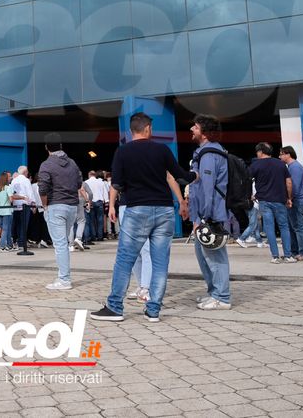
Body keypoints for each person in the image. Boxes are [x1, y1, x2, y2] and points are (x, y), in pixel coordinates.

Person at [90, 113, 187, 323]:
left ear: (131, 131)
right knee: (160, 262)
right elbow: (179, 174)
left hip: (137, 210)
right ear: (148, 129)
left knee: (125, 259)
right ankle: (153, 310)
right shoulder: (162, 150)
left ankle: (115, 307)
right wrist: (194, 178)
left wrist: (114, 203)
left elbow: (117, 183)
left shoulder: (123, 152)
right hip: (164, 209)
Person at [188, 114, 232, 310]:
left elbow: (207, 188)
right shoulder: (205, 152)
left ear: (204, 133)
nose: (191, 129)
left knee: (215, 257)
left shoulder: (208, 155)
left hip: (210, 214)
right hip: (205, 214)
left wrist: (202, 217)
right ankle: (214, 292)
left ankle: (222, 297)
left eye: (195, 127)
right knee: (203, 255)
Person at [37, 133, 82, 290]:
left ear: (46, 147)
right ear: (61, 146)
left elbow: (42, 189)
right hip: (72, 206)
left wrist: (45, 207)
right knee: (64, 242)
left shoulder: (46, 165)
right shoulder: (73, 163)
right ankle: (63, 275)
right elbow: (78, 183)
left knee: (60, 244)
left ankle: (64, 279)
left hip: (56, 206)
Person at [248, 143, 295, 264]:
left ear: (261, 152)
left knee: (269, 228)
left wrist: (250, 195)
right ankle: (288, 256)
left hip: (264, 200)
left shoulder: (255, 165)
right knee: (284, 227)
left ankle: (275, 257)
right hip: (280, 200)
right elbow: (288, 182)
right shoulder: (280, 164)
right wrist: (289, 198)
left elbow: (247, 180)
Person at [280, 146, 303, 261]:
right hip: (296, 201)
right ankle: (294, 252)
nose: (280, 156)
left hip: (296, 201)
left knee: (298, 228)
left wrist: (289, 199)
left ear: (288, 154)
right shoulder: (291, 167)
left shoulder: (295, 168)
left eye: (281, 154)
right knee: (293, 228)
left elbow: (294, 187)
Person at [10, 165, 34, 255]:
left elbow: (12, 192)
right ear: (25, 172)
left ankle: (15, 241)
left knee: (17, 224)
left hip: (16, 204)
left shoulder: (14, 180)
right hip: (25, 203)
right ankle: (22, 242)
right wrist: (32, 203)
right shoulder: (26, 180)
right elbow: (29, 192)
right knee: (24, 224)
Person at [0, 171, 14, 250]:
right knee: (5, 228)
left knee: (2, 227)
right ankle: (2, 246)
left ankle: (9, 245)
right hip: (7, 210)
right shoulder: (8, 188)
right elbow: (11, 199)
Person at [84, 170, 106, 244]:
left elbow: (87, 193)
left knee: (91, 220)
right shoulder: (101, 182)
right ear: (95, 175)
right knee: (100, 220)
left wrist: (87, 202)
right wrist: (106, 201)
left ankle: (93, 236)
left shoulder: (86, 182)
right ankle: (100, 236)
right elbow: (104, 192)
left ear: (89, 175)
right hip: (99, 201)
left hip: (91, 202)